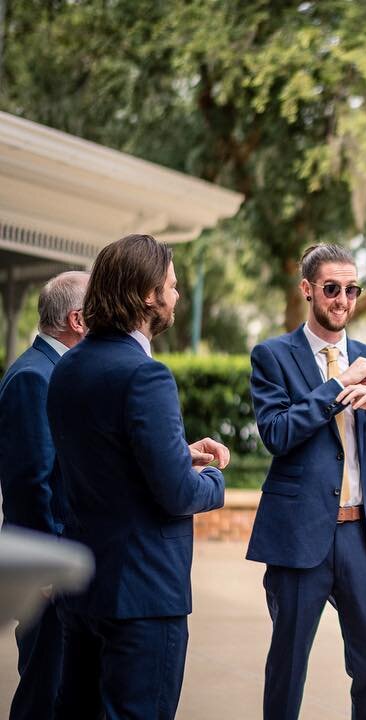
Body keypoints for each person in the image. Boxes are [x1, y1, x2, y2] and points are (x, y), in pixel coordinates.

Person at [46, 234, 228, 719]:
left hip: (83, 588)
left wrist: (176, 453)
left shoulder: (67, 369)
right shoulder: (147, 376)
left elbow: (98, 461)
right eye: (172, 285)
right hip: (144, 597)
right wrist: (214, 482)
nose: (177, 296)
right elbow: (177, 493)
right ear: (148, 295)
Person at [246, 243, 366, 720]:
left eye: (351, 289)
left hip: (360, 538)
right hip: (298, 535)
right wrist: (338, 385)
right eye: (331, 288)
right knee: (287, 667)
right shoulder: (273, 356)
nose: (342, 299)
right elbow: (277, 434)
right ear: (308, 290)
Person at [0, 270, 88, 720]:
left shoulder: (56, 371)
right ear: (77, 320)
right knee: (42, 694)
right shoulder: (34, 377)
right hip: (46, 574)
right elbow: (29, 482)